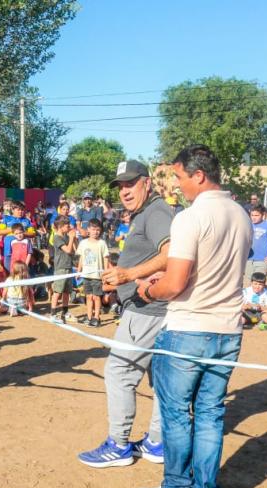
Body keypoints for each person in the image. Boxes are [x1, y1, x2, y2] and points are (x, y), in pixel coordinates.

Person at [134, 144, 252, 488]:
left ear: (198, 176)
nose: (177, 185)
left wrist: (148, 289)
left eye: (180, 177)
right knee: (210, 415)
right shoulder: (242, 214)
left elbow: (175, 284)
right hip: (227, 330)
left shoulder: (189, 218)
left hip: (187, 327)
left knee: (176, 416)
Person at [80, 159, 173, 468]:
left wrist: (128, 274)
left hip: (146, 311)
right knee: (159, 379)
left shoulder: (156, 212)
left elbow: (169, 253)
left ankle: (118, 445)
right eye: (120, 186)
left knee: (119, 373)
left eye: (130, 183)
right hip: (150, 309)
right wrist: (122, 274)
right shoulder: (146, 213)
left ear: (147, 182)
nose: (124, 191)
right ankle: (157, 443)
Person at [76, 218, 109, 328]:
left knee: (96, 297)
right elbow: (81, 258)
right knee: (88, 297)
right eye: (93, 229)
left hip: (97, 276)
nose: (96, 232)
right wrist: (78, 271)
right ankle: (89, 317)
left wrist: (105, 273)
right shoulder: (83, 243)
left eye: (98, 230)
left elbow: (106, 258)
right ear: (88, 229)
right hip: (86, 275)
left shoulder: (102, 243)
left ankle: (96, 317)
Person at [50, 217, 77, 323]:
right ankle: (53, 314)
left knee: (66, 291)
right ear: (61, 227)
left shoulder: (67, 236)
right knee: (57, 292)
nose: (69, 227)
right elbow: (68, 250)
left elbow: (75, 249)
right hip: (60, 268)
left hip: (68, 266)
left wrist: (74, 238)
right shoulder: (57, 238)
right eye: (67, 225)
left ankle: (65, 312)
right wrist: (71, 238)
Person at [247, 205, 267, 282]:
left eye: (256, 215)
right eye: (252, 215)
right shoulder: (248, 225)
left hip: (262, 261)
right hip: (248, 260)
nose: (254, 217)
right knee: (249, 285)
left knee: (258, 283)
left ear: (263, 215)